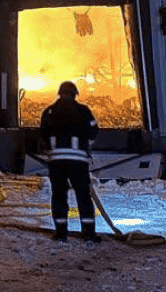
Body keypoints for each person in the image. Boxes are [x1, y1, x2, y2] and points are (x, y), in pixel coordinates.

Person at [39, 80, 100, 242]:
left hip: (56, 161)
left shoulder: (49, 111)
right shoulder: (83, 111)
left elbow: (42, 133)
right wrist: (85, 145)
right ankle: (88, 234)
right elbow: (94, 130)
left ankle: (61, 233)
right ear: (75, 95)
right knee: (83, 196)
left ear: (60, 94)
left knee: (59, 196)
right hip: (78, 161)